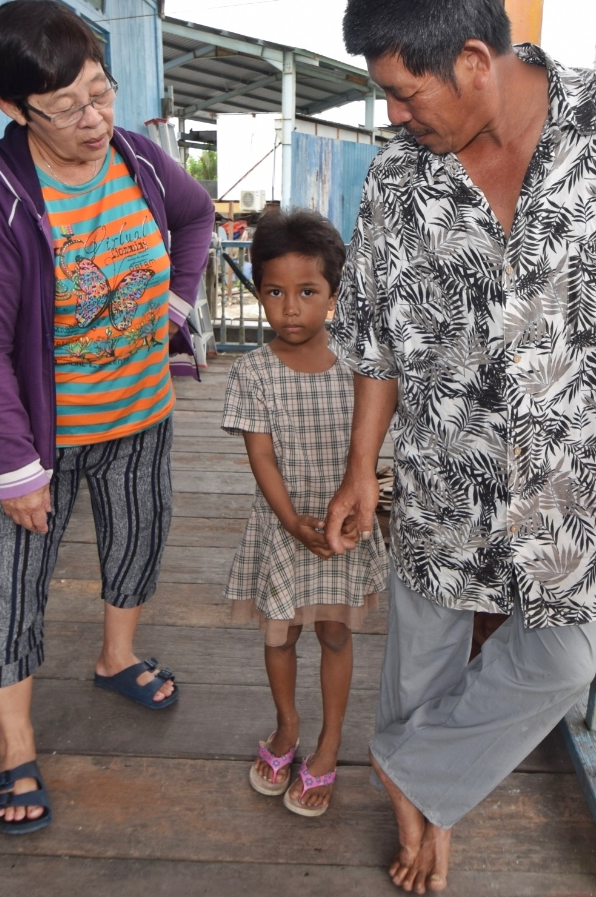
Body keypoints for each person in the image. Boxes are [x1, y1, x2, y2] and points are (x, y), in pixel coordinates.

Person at [323, 0, 596, 893]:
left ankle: (416, 773)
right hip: (440, 468)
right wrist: (360, 467)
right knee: (420, 658)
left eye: (402, 90)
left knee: (559, 665)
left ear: (474, 60)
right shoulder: (397, 179)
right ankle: (427, 812)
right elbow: (376, 342)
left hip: (571, 477)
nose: (392, 112)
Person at [0, 0, 214, 834]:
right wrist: (16, 466)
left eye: (101, 92)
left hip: (142, 413)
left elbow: (195, 214)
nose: (95, 120)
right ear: (14, 109)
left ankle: (115, 656)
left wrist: (175, 303)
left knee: (138, 540)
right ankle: (16, 748)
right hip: (43, 442)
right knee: (10, 591)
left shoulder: (134, 153)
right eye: (67, 108)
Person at [222, 209, 388, 816]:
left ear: (334, 296)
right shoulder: (250, 373)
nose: (290, 309)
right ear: (259, 292)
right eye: (274, 292)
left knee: (336, 632)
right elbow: (261, 456)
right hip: (285, 527)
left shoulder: (358, 370)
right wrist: (292, 521)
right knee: (281, 632)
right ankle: (287, 729)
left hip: (345, 528)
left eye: (307, 292)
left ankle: (328, 745)